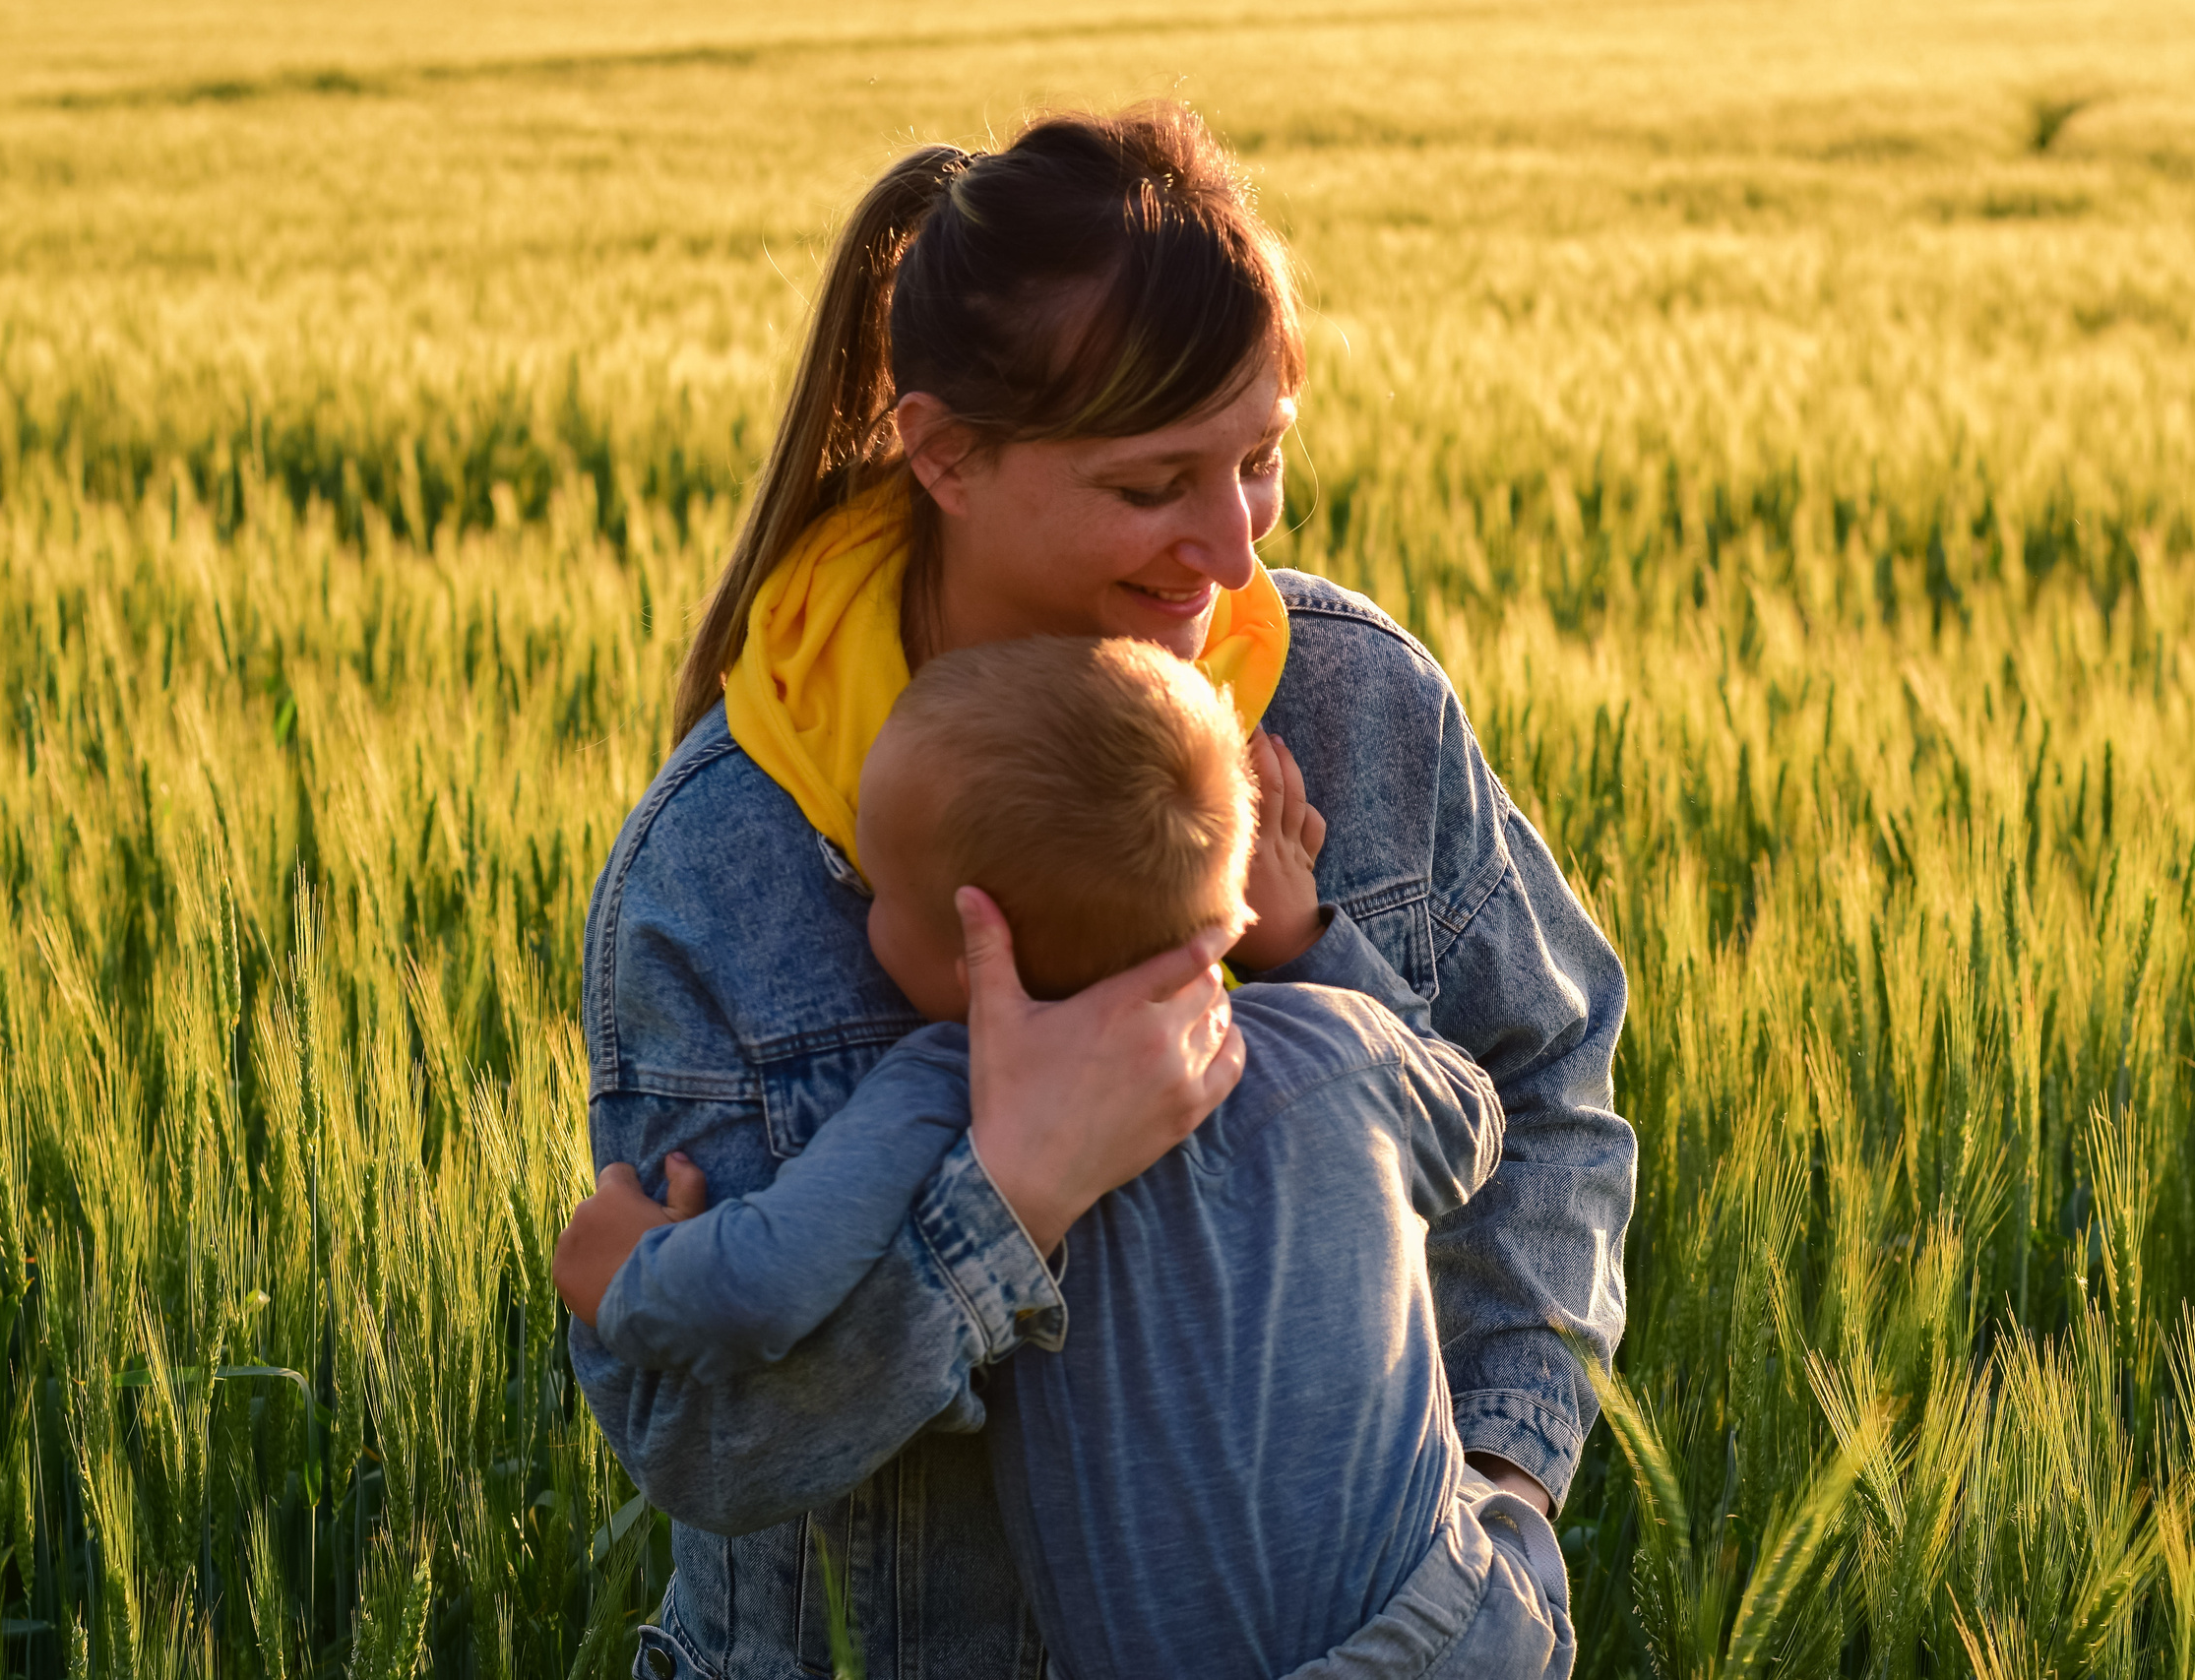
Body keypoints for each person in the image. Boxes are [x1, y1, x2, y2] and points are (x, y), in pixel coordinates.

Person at [571, 100, 1634, 1678]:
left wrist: (1492, 1498)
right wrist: (1011, 1195)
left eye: (1260, 460)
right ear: (946, 452)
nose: (1228, 547)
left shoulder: (1351, 704)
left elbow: (1540, 1085)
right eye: (1153, 484)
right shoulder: (731, 860)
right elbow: (712, 1446)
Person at [558, 636, 1577, 1679]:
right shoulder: (1340, 1042)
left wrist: (626, 1273)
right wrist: (1300, 937)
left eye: (879, 893)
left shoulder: (944, 1088)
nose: (862, 919)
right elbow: (1478, 1120)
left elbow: (764, 1286)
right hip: (1468, 1621)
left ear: (972, 947)